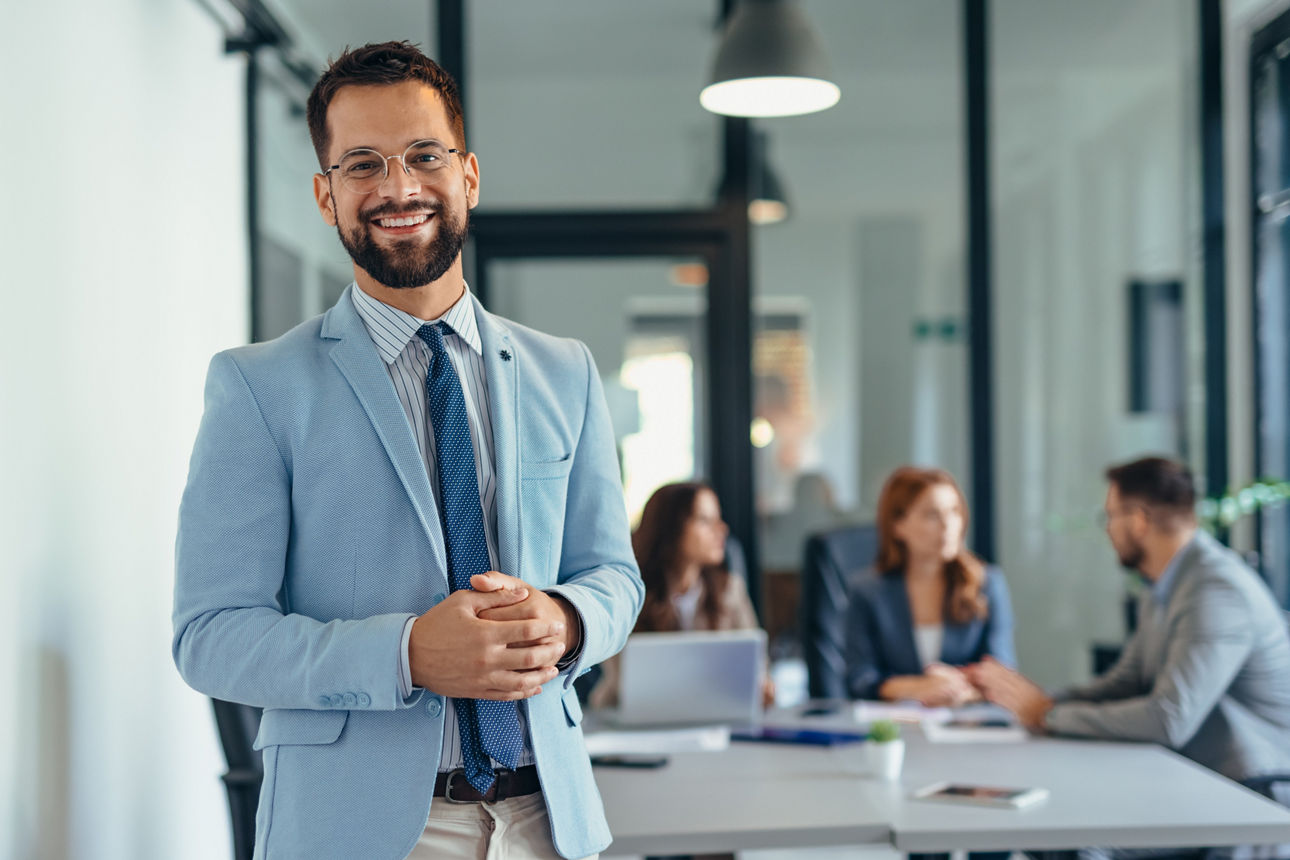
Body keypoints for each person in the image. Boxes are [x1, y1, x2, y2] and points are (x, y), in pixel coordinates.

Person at [171, 42, 642, 860]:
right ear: (325, 195)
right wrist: (406, 653)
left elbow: (615, 577)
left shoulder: (564, 371)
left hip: (548, 820)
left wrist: (566, 620)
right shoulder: (257, 387)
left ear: (469, 175)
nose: (398, 187)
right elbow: (210, 634)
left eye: (424, 155)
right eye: (362, 165)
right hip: (363, 832)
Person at [970, 457, 1290, 805]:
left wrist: (1048, 716)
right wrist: (1041, 700)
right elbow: (1127, 683)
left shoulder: (1216, 590)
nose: (1106, 529)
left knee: (1083, 836)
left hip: (1252, 790)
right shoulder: (1164, 585)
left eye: (1109, 516)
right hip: (1197, 775)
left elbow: (1169, 719)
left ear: (1138, 521)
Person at [590, 482, 774, 709]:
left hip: (715, 718)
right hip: (629, 720)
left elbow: (756, 663)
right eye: (705, 521)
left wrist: (761, 684)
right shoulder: (628, 592)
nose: (722, 529)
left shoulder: (729, 589)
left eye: (718, 519)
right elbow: (620, 676)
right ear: (671, 528)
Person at [845, 466, 1016, 706]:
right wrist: (920, 688)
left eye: (954, 511)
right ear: (898, 525)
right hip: (897, 725)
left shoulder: (987, 584)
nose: (948, 525)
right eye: (932, 515)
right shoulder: (867, 592)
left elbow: (1002, 674)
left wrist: (956, 690)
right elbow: (859, 679)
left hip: (968, 724)